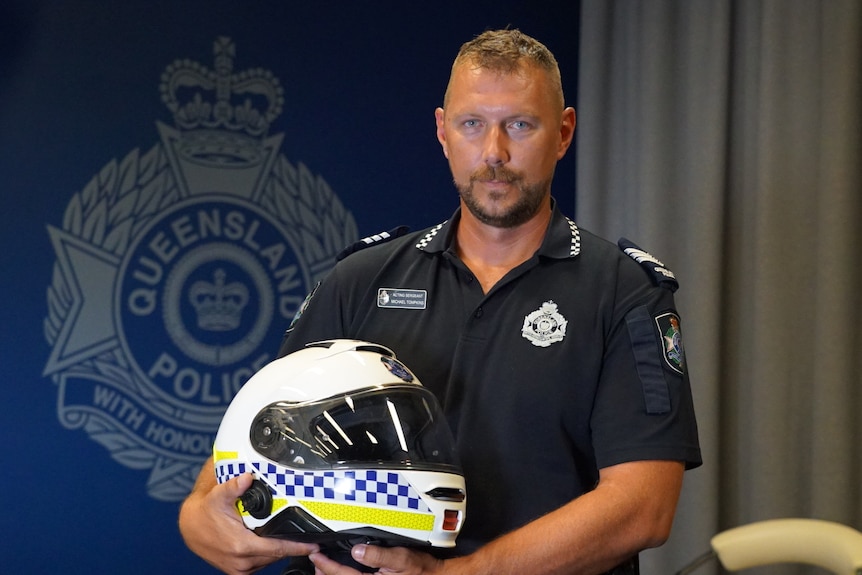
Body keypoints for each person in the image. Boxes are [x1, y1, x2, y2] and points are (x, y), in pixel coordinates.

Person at [179, 29, 701, 575]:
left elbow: (643, 508)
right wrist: (199, 515)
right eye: (472, 124)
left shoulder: (624, 291)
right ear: (442, 131)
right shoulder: (360, 279)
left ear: (564, 132)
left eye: (520, 125)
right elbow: (261, 429)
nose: (494, 153)